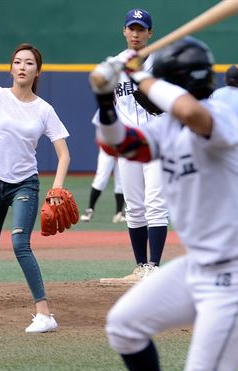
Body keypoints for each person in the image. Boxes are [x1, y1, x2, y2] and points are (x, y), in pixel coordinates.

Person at [90, 37, 238, 371]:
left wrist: (137, 74)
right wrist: (104, 100)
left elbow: (193, 112)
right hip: (201, 267)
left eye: (154, 83)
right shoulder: (165, 128)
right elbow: (120, 145)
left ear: (169, 83)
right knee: (123, 325)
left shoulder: (221, 114)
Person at [0, 22, 71, 333]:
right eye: (17, 61)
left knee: (20, 242)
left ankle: (45, 314)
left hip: (24, 184)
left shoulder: (45, 110)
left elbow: (64, 154)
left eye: (29, 62)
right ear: (11, 69)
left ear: (37, 72)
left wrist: (57, 187)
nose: (22, 66)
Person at [104, 8, 169, 281]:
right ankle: (141, 266)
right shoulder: (114, 65)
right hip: (128, 143)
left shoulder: (162, 63)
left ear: (149, 33)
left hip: (156, 141)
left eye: (141, 29)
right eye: (132, 28)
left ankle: (154, 266)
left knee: (155, 202)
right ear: (124, 31)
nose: (135, 33)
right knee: (133, 205)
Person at [79, 125, 126, 224]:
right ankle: (90, 209)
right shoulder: (106, 110)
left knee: (121, 181)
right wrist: (111, 150)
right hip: (107, 149)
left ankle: (118, 213)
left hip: (123, 149)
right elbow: (100, 133)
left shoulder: (127, 111)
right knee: (101, 179)